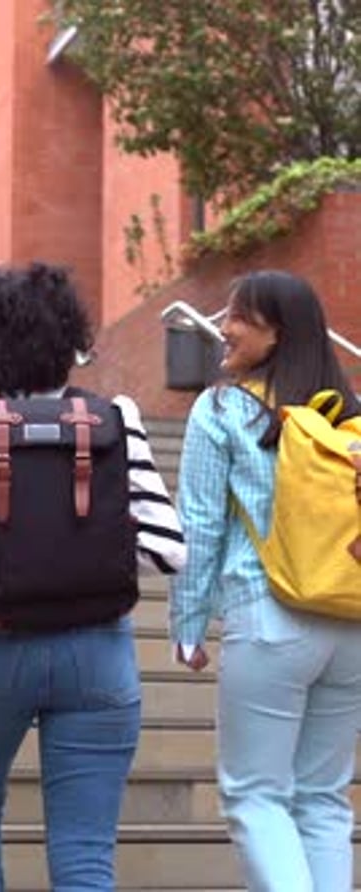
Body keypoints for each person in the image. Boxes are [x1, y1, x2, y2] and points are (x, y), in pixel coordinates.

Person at [0, 262, 187, 892]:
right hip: (97, 657)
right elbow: (169, 549)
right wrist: (83, 548)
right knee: (84, 856)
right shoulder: (115, 414)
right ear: (64, 339)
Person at [169, 269, 361, 892]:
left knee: (255, 796)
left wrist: (188, 623)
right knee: (324, 800)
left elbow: (199, 525)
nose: (223, 328)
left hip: (270, 613)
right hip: (351, 623)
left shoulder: (221, 407)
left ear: (277, 332)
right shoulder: (348, 423)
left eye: (239, 317)